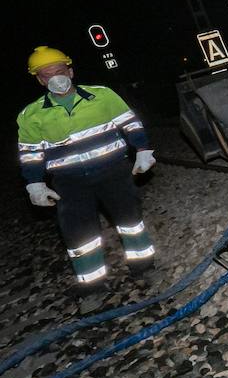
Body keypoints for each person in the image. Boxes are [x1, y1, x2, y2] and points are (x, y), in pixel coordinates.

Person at [18, 46, 158, 311]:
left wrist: (142, 150)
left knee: (130, 221)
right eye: (47, 75)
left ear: (70, 71)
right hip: (69, 183)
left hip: (113, 171)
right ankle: (92, 288)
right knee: (79, 236)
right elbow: (30, 154)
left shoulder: (102, 96)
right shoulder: (30, 116)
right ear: (39, 80)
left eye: (60, 71)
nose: (56, 79)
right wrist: (34, 183)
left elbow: (131, 123)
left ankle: (145, 268)